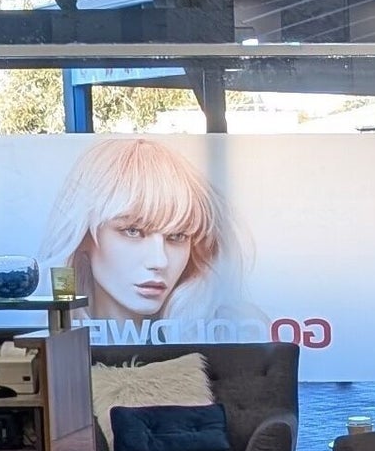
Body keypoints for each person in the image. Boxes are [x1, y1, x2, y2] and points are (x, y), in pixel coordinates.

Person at [34, 135, 257, 336]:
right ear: (84, 237)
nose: (159, 261)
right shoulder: (55, 340)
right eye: (133, 231)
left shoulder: (236, 328)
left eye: (177, 236)